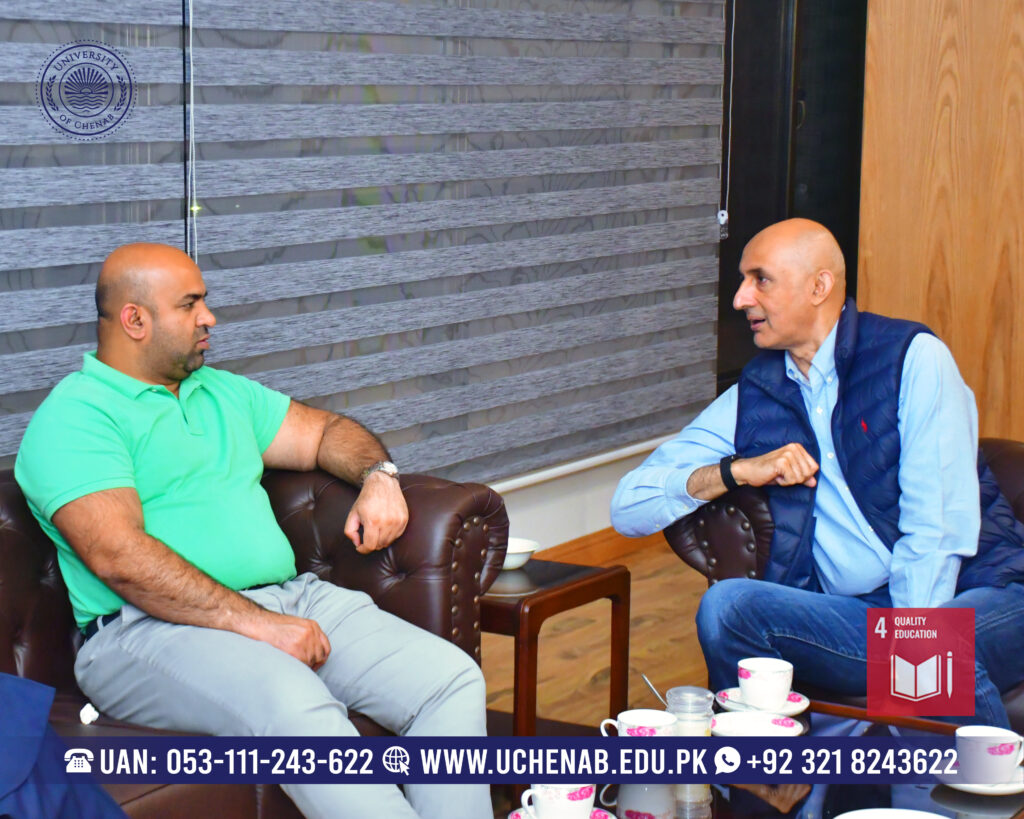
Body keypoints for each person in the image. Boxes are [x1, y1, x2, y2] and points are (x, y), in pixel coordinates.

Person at [14, 243, 491, 819]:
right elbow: (118, 555)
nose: (209, 318)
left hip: (289, 599)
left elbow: (326, 432)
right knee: (296, 708)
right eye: (190, 305)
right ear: (135, 320)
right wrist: (259, 625)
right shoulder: (77, 416)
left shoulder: (221, 393)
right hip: (147, 631)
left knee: (449, 680)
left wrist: (379, 477)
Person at [611, 218, 1024, 727]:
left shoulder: (913, 359)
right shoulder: (756, 394)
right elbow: (628, 506)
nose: (740, 299)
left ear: (819, 286)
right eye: (742, 280)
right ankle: (767, 765)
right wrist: (738, 470)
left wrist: (911, 652)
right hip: (858, 615)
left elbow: (934, 534)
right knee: (726, 607)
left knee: (935, 653)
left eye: (760, 279)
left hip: (982, 593)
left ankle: (968, 775)